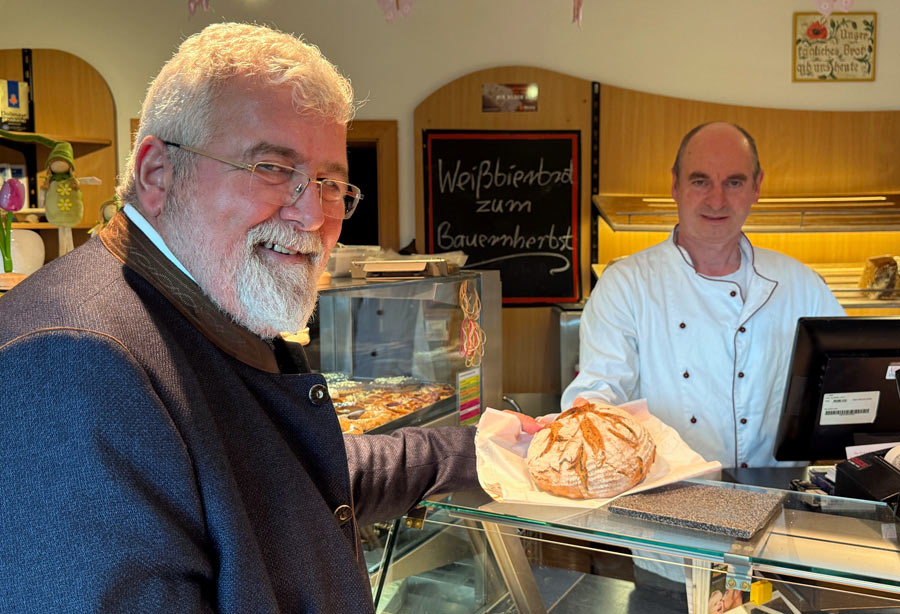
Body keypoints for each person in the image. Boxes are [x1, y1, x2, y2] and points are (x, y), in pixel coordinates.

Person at [0, 23, 478, 613]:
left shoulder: (205, 301)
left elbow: (275, 476)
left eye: (331, 183)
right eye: (272, 168)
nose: (312, 214)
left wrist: (475, 453)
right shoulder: (73, 363)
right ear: (157, 172)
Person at [561, 121, 845, 596]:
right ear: (674, 185)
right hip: (666, 543)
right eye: (700, 181)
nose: (717, 199)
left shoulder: (801, 284)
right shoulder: (628, 285)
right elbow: (599, 391)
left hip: (780, 541)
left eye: (734, 181)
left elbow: (851, 385)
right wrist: (578, 424)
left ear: (757, 187)